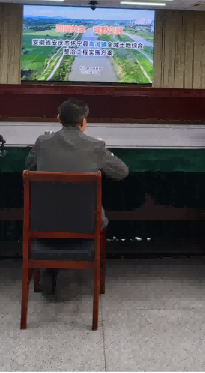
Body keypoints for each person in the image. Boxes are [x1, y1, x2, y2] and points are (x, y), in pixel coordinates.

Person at [26, 99, 129, 297]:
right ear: (83, 122)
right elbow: (122, 172)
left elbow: (29, 165)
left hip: (44, 223)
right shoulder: (95, 146)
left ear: (58, 119)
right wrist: (102, 150)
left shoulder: (42, 142)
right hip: (87, 224)